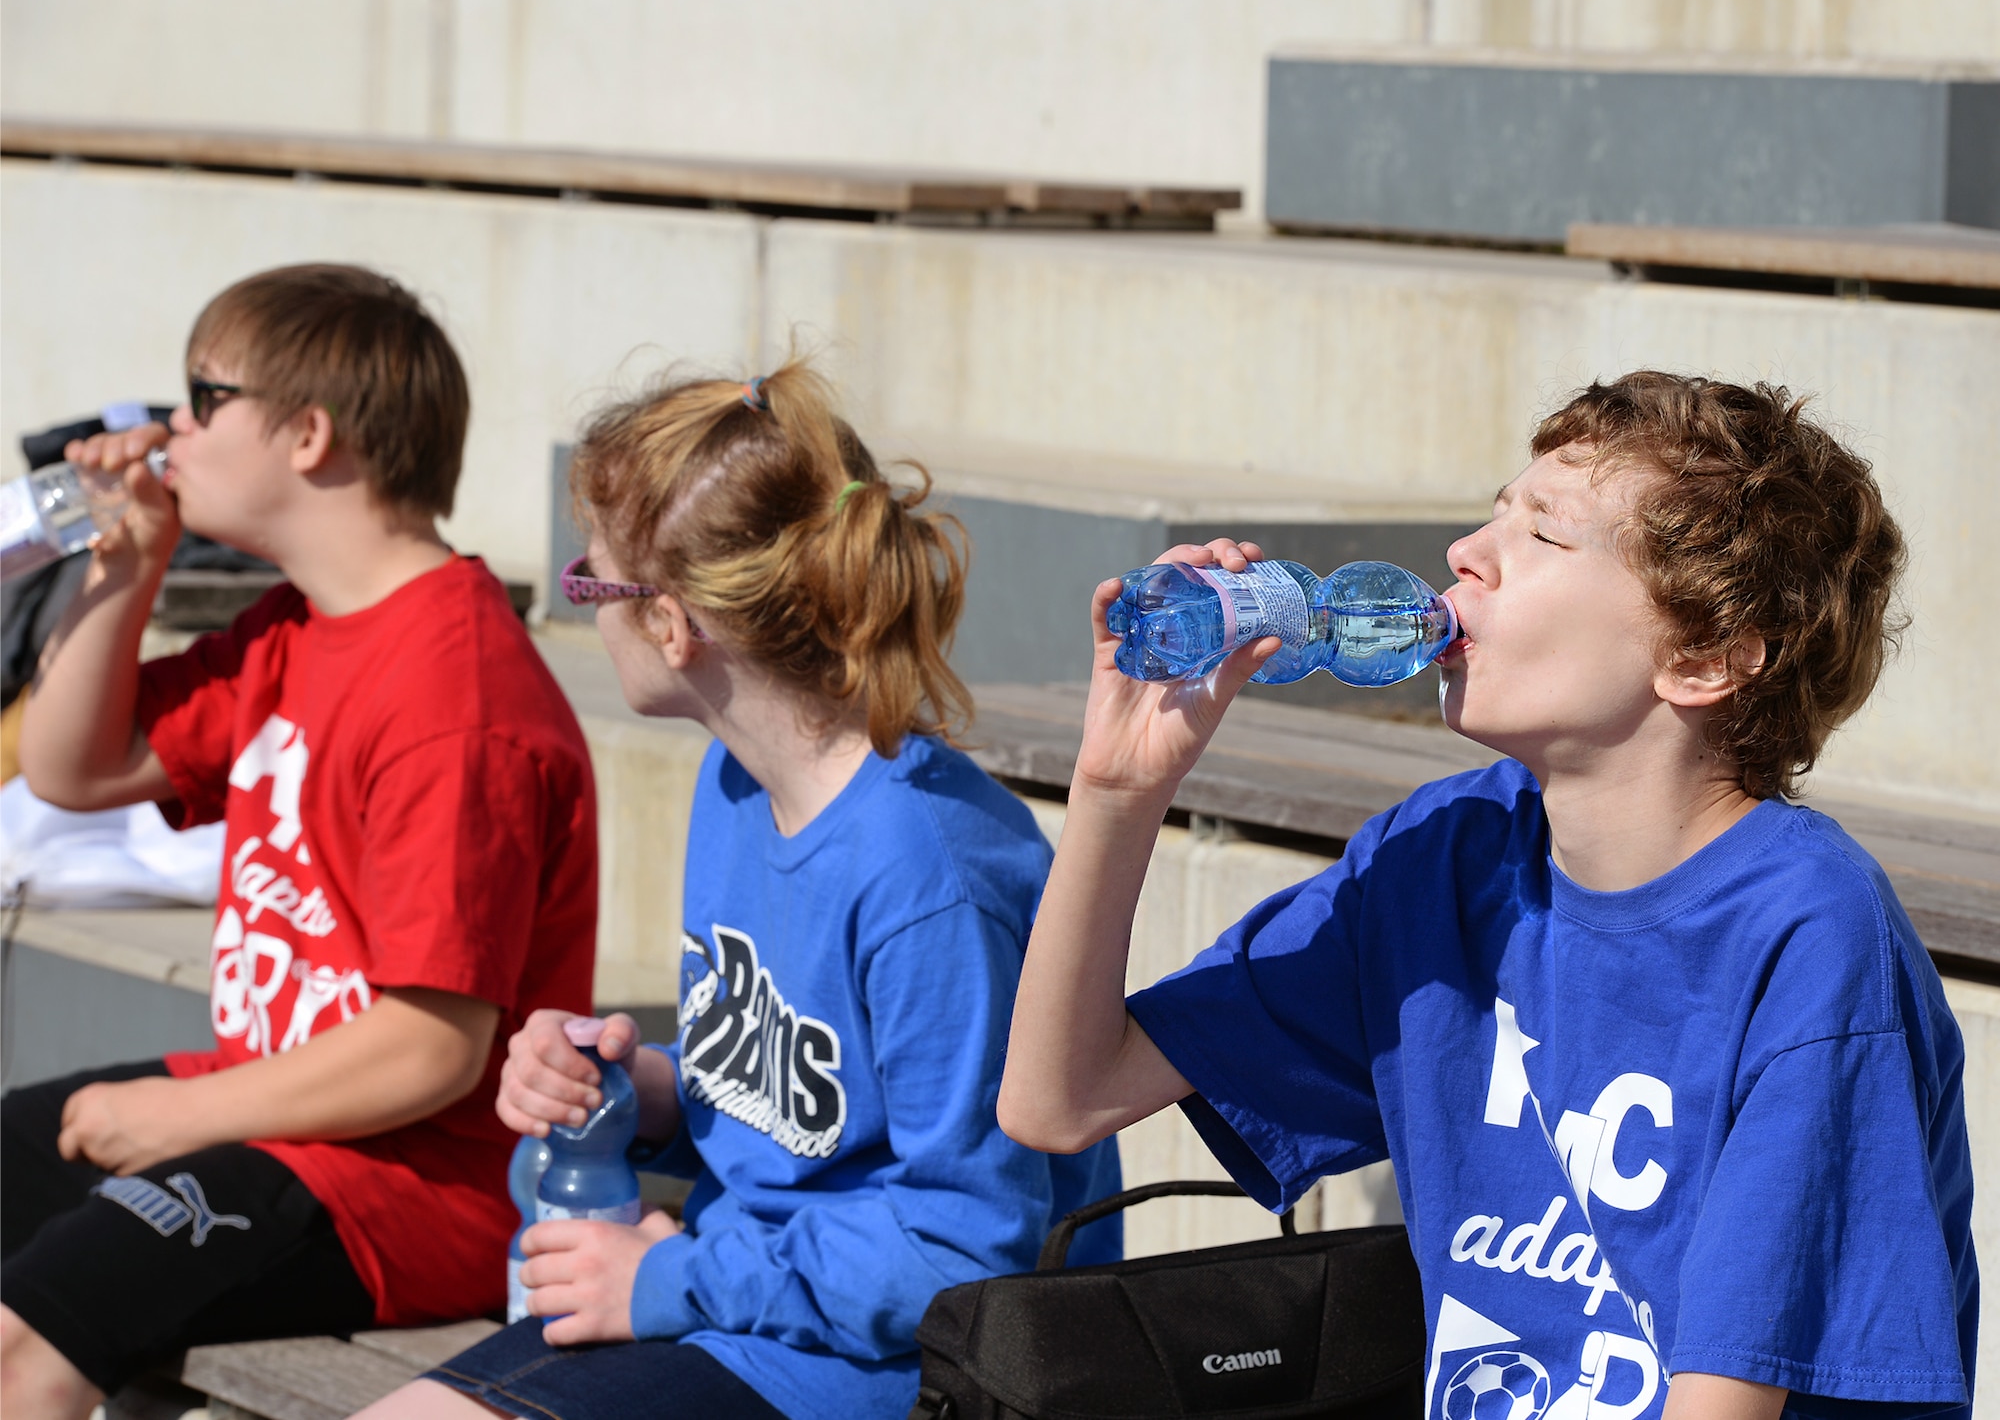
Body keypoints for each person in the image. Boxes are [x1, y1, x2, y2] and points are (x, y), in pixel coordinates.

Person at [998, 372, 1976, 1420]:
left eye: (1543, 534)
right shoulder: (1443, 856)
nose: (1468, 551)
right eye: (1492, 511)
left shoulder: (1802, 930)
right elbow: (1061, 1098)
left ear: (1702, 658)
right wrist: (1118, 790)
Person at [358, 362, 1122, 1420]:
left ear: (673, 626)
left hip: (895, 1372)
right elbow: (809, 1117)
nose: (579, 603)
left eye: (591, 585)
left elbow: (962, 1248)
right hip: (745, 1311)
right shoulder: (736, 781)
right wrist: (637, 1094)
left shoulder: (929, 873)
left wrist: (671, 1282)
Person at [0, 264, 598, 1419]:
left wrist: (176, 1117)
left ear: (310, 434)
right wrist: (128, 567)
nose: (166, 427)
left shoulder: (453, 697)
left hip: (412, 1182)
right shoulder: (301, 627)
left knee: (26, 1344)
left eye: (201, 397)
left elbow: (431, 1048)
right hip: (275, 1115)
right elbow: (74, 766)